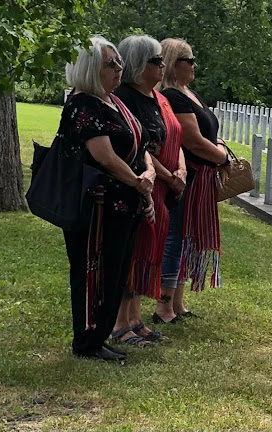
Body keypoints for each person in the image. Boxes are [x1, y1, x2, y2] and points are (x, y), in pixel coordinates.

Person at [59, 36, 155, 361]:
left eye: (118, 62)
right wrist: (139, 183)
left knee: (114, 271)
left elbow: (139, 145)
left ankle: (100, 337)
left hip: (122, 204)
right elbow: (104, 156)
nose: (119, 68)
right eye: (110, 63)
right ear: (89, 68)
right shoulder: (83, 103)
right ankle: (87, 343)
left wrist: (148, 177)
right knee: (93, 271)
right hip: (95, 206)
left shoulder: (113, 101)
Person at [112, 35, 186, 345]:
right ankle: (119, 324)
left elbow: (174, 136)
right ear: (139, 66)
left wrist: (180, 170)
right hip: (142, 184)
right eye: (157, 61)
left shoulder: (158, 97)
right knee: (132, 255)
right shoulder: (125, 98)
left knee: (148, 254)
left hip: (163, 187)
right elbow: (140, 145)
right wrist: (169, 176)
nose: (163, 66)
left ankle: (136, 319)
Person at [153, 38, 231, 323]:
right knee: (176, 237)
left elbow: (207, 133)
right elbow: (193, 141)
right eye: (190, 59)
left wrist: (220, 145)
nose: (195, 64)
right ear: (175, 64)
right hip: (186, 175)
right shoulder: (173, 97)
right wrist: (222, 159)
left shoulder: (190, 93)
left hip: (202, 178)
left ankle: (178, 302)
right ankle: (163, 305)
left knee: (188, 239)